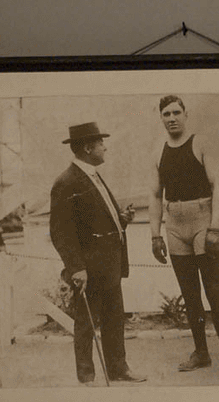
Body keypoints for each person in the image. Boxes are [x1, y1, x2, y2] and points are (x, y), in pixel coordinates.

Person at [149, 96, 219, 382]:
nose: (172, 118)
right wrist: (154, 235)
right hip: (174, 224)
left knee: (214, 290)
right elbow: (155, 195)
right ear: (161, 118)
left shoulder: (200, 143)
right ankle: (201, 352)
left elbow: (218, 186)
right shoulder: (158, 151)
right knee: (189, 294)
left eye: (176, 112)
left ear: (186, 114)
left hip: (202, 221)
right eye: (166, 114)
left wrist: (215, 228)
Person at [49, 121, 142, 385]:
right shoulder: (66, 182)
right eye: (101, 143)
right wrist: (77, 268)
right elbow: (60, 232)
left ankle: (118, 369)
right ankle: (86, 376)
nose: (105, 148)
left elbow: (96, 220)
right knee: (86, 323)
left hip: (110, 263)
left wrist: (121, 219)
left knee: (114, 318)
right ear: (88, 148)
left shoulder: (94, 175)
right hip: (88, 268)